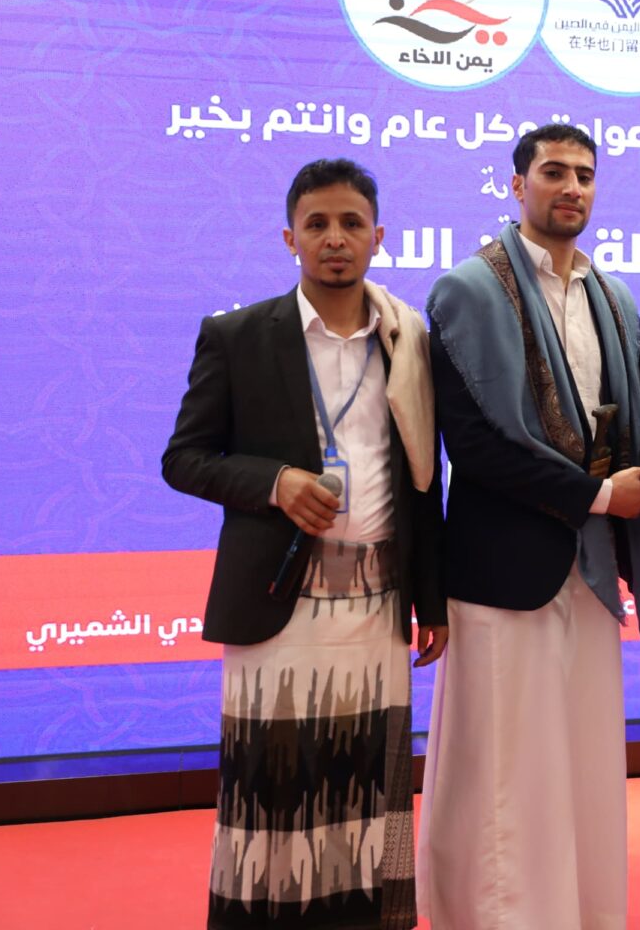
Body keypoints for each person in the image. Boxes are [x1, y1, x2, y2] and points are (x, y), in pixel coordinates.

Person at [161, 157, 445, 930]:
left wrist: (431, 598)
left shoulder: (409, 340)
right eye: (316, 224)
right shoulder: (238, 336)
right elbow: (184, 459)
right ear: (290, 238)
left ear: (379, 236)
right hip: (278, 606)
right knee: (273, 802)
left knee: (365, 800)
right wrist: (275, 482)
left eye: (352, 223)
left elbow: (426, 480)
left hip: (379, 606)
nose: (335, 238)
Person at [415, 123, 640, 930]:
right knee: (501, 773)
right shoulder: (467, 291)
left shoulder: (613, 298)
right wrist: (598, 496)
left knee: (585, 767)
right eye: (554, 172)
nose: (572, 188)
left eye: (585, 174)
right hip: (503, 571)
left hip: (591, 568)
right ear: (517, 184)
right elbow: (476, 447)